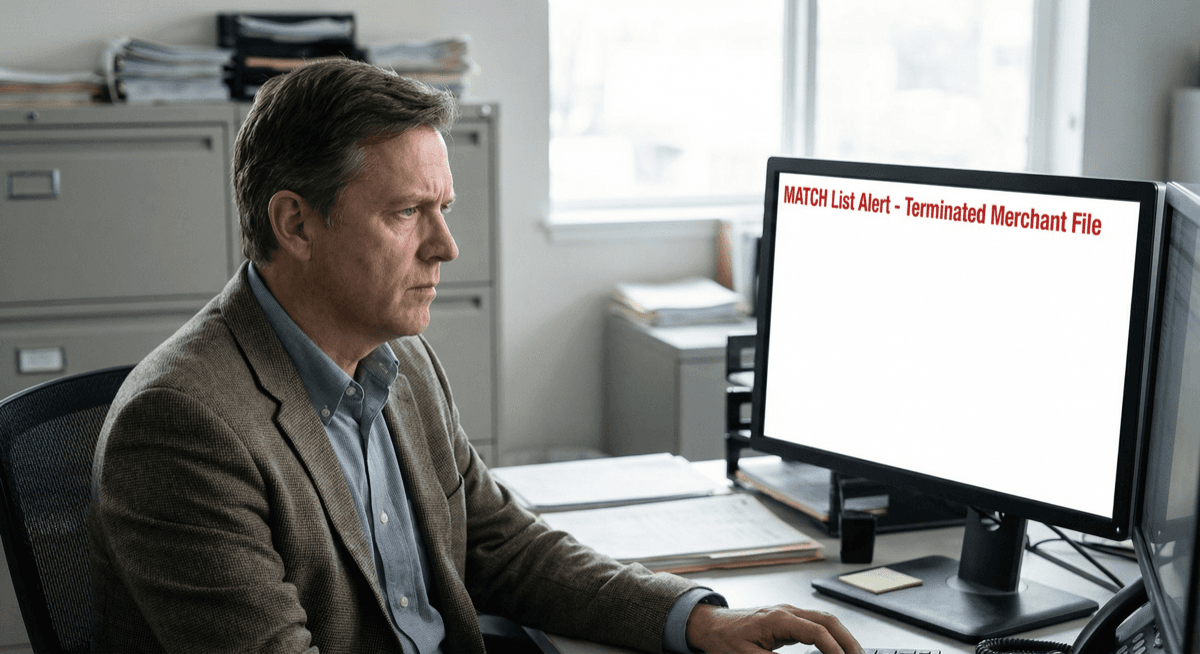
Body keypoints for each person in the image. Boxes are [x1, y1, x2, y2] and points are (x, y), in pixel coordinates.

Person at [88, 58, 863, 654]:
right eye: (406, 213)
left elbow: (501, 544)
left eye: (443, 209)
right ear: (295, 223)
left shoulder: (400, 360)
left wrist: (692, 619)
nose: (446, 247)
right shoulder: (184, 426)